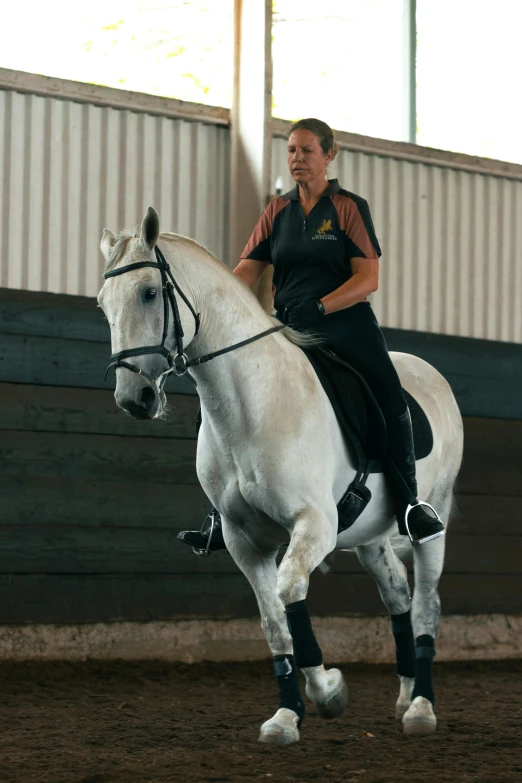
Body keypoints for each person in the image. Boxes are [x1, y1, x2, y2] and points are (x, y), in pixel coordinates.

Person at [178, 117, 445, 553]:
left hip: (345, 323)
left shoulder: (349, 208)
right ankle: (220, 510)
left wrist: (322, 305)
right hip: (288, 326)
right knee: (221, 395)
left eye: (306, 151)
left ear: (328, 155)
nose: (297, 158)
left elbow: (368, 278)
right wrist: (214, 304)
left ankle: (411, 505)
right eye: (291, 151)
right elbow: (245, 273)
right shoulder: (276, 212)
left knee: (388, 395)